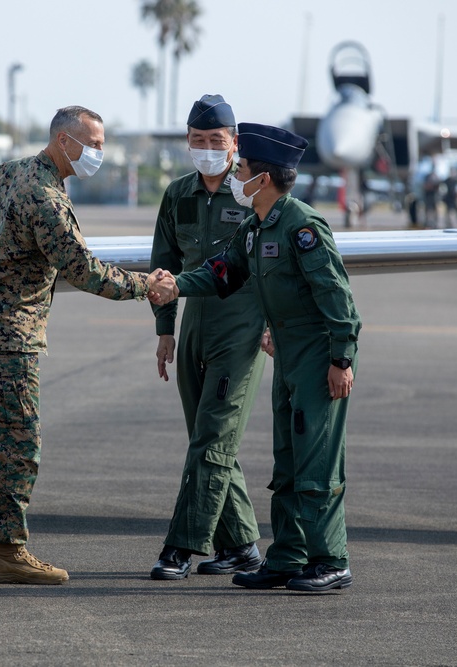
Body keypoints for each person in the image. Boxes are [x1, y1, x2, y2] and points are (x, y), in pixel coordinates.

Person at [0, 105, 176, 585]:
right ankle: (8, 551)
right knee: (20, 443)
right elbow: (82, 269)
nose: (98, 154)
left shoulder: (10, 173)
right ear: (64, 141)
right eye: (93, 145)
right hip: (9, 338)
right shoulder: (45, 197)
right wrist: (143, 286)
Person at [161, 123, 363, 593]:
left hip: (317, 358)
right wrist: (175, 284)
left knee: (318, 464)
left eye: (244, 168)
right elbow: (220, 272)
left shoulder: (303, 227)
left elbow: (339, 301)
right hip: (288, 357)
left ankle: (332, 559)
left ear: (264, 179)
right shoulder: (257, 227)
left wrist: (342, 359)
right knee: (288, 462)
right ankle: (289, 556)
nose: (237, 174)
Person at [148, 95, 266, 581]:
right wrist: (165, 331)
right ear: (188, 145)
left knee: (212, 439)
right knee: (208, 438)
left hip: (242, 327)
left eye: (216, 141)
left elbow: (274, 265)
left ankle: (181, 546)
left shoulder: (253, 191)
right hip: (195, 322)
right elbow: (165, 266)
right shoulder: (178, 194)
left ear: (234, 143)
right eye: (198, 142)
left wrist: (273, 325)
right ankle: (241, 547)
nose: (207, 149)